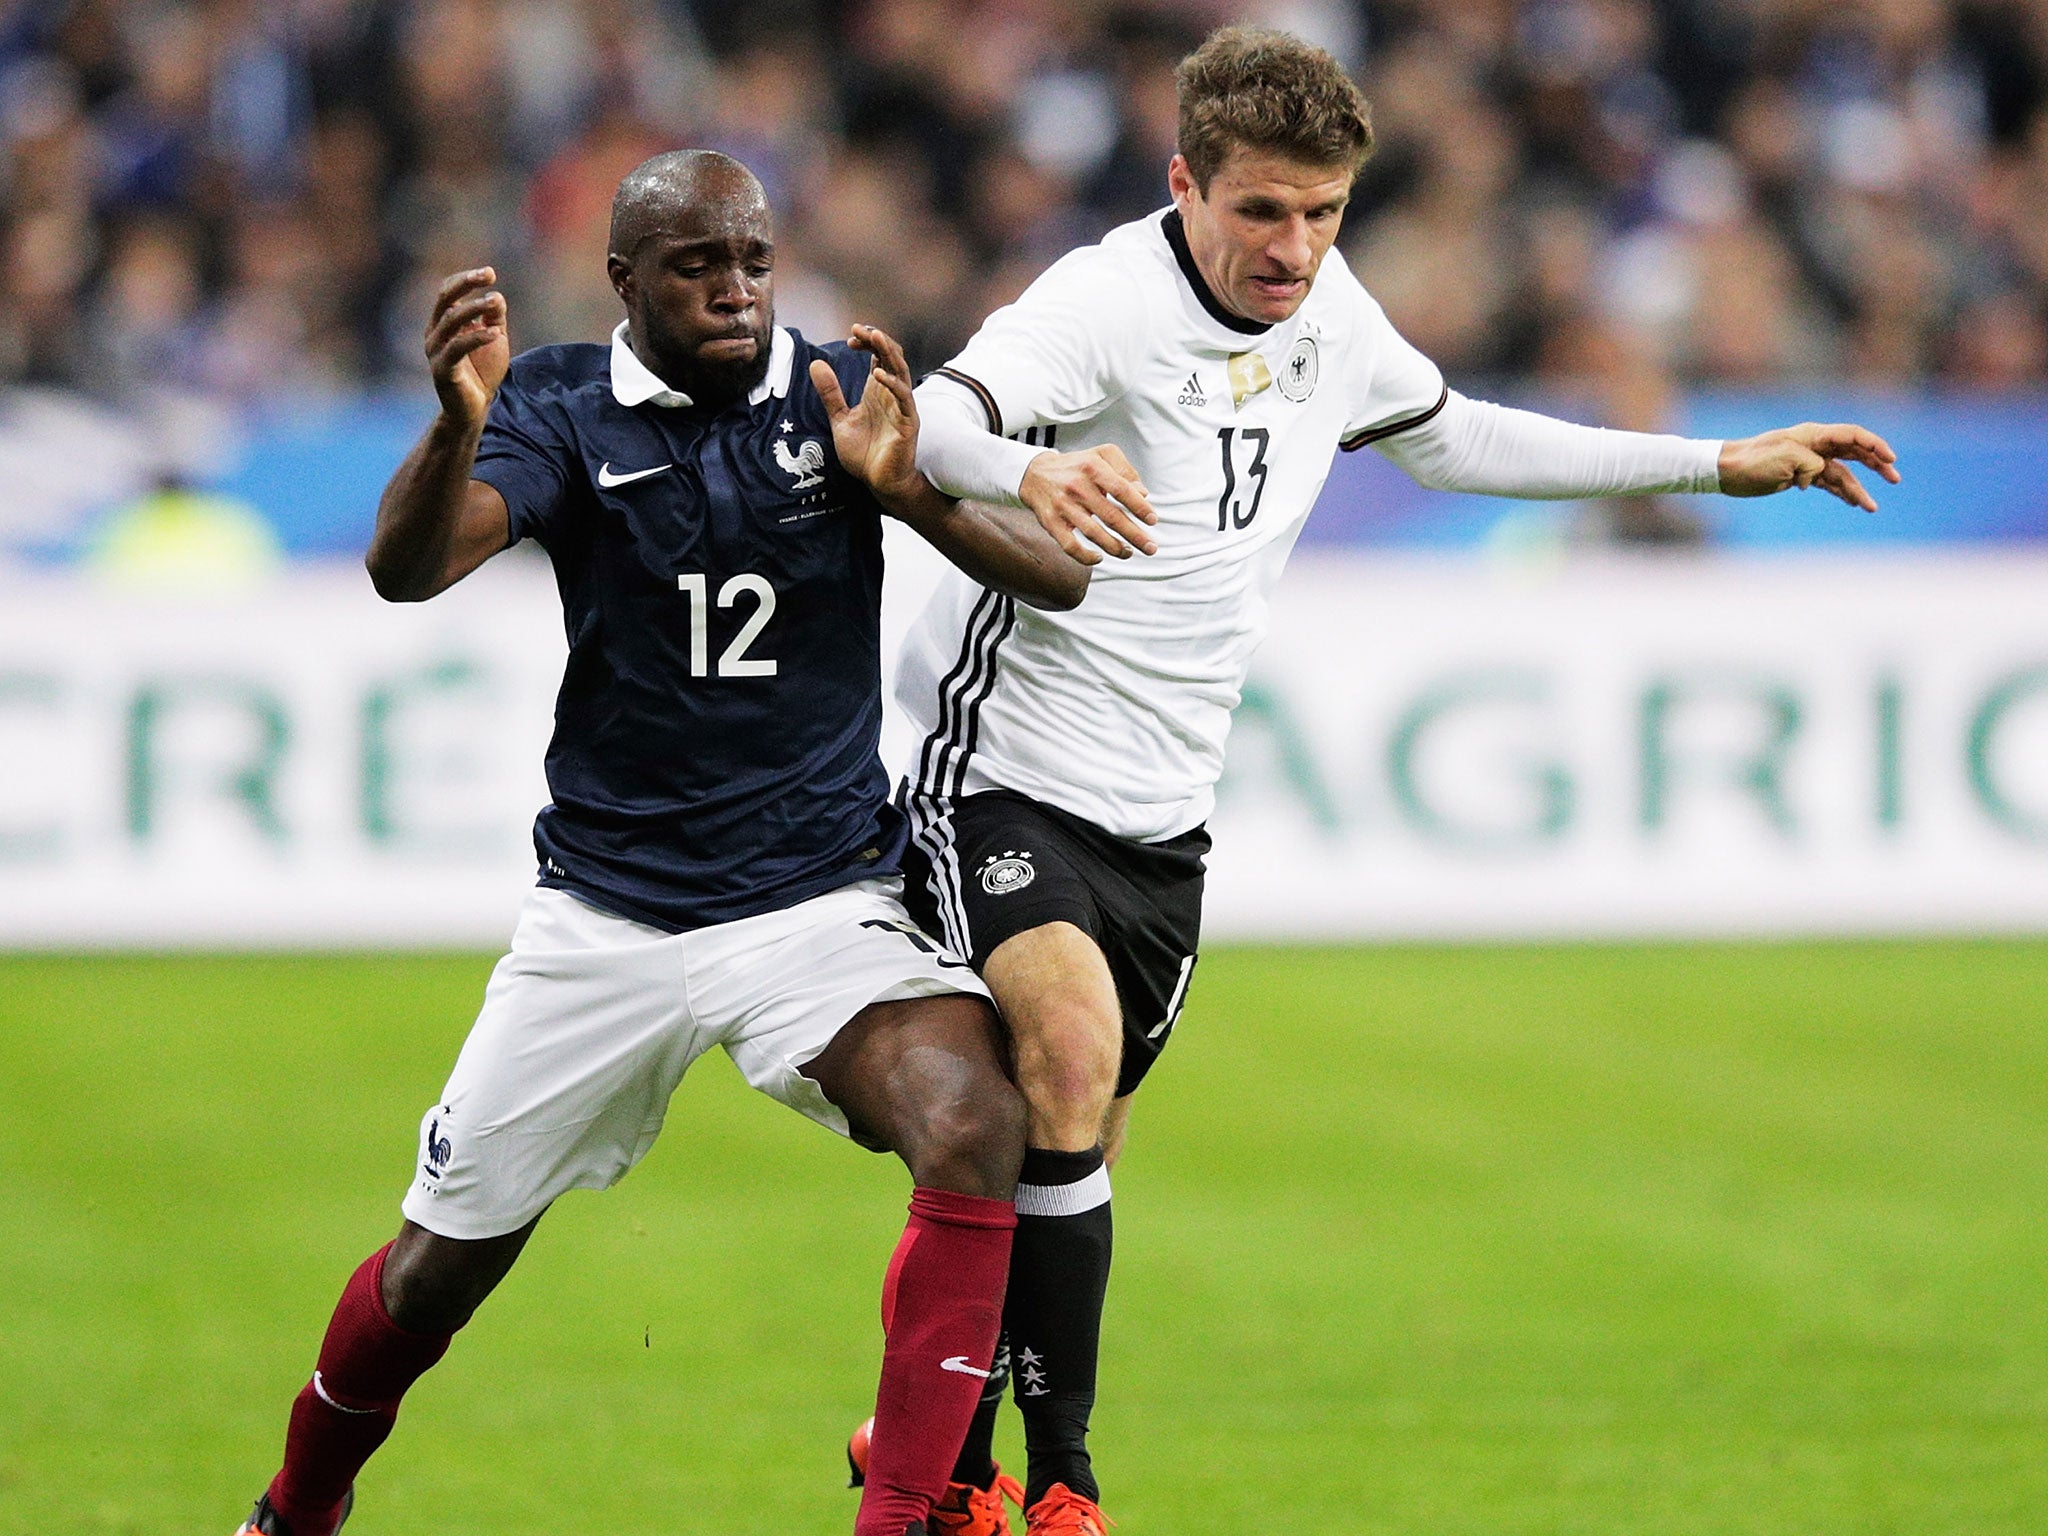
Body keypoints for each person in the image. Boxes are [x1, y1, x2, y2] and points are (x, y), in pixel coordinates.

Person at [865, 26, 1903, 1536]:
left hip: (1166, 810)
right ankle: (1061, 1487)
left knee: (1053, 1138)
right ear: (1186, 186)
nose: (1295, 248)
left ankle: (931, 1435)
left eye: (1324, 213)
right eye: (1264, 212)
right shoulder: (1100, 301)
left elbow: (1457, 436)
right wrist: (1028, 469)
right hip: (1005, 770)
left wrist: (1714, 460)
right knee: (1067, 1063)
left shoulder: (1330, 317)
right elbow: (938, 416)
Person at [232, 148, 1098, 1536]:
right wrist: (455, 421)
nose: (736, 290)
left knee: (973, 1114)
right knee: (431, 1276)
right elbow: (409, 569)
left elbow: (1060, 577)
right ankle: (298, 1505)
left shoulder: (840, 395)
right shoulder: (561, 401)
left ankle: (904, 1516)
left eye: (753, 259)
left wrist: (912, 488)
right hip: (607, 919)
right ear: (626, 279)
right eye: (698, 265)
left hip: (816, 906)